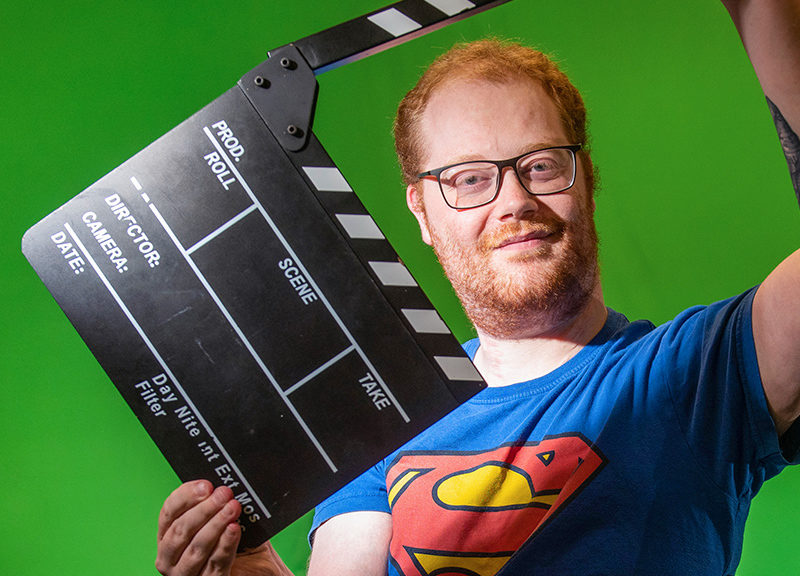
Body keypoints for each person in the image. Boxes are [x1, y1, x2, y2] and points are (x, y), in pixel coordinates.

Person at [154, 1, 800, 574]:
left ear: (586, 179)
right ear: (422, 212)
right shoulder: (383, 416)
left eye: (541, 165)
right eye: (468, 178)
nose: (514, 199)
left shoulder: (696, 375)